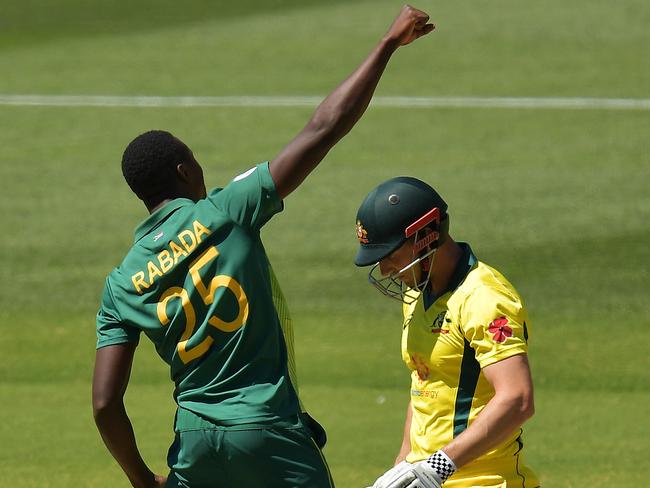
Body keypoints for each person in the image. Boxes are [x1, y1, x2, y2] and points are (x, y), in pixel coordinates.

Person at [91, 6, 434, 488]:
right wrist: (385, 46)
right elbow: (323, 129)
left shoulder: (120, 283)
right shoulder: (225, 211)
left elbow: (105, 404)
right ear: (185, 171)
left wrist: (144, 481)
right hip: (268, 429)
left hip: (195, 444)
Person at [354, 177, 540, 487]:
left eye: (390, 257)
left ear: (426, 237)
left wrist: (439, 466)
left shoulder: (484, 297)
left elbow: (517, 398)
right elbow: (425, 383)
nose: (386, 271)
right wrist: (403, 465)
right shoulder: (416, 294)